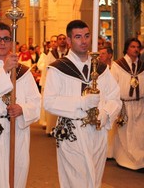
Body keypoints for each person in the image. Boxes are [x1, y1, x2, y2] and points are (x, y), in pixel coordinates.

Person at [43, 20, 121, 188]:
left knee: (94, 180)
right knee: (76, 180)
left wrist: (105, 113)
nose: (84, 41)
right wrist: (81, 102)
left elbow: (115, 98)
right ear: (69, 41)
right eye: (78, 37)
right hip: (72, 131)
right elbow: (49, 102)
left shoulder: (101, 69)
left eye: (86, 36)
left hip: (98, 131)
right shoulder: (58, 68)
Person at [0, 22, 41, 188]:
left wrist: (22, 109)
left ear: (11, 42)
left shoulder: (23, 72)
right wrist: (4, 70)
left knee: (18, 175)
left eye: (6, 39)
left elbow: (36, 101)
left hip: (18, 128)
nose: (2, 42)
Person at [111, 37, 144, 170]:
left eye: (137, 47)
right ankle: (125, 160)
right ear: (127, 48)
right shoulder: (118, 65)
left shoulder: (142, 66)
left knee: (139, 133)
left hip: (140, 104)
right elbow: (113, 85)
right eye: (132, 47)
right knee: (125, 133)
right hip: (124, 104)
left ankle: (139, 160)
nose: (135, 49)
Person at [45, 34, 69, 135]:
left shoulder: (70, 52)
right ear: (57, 41)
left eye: (64, 39)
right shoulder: (52, 53)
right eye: (60, 39)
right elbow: (48, 67)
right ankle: (51, 128)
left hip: (67, 82)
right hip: (55, 82)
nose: (62, 41)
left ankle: (65, 129)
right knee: (54, 104)